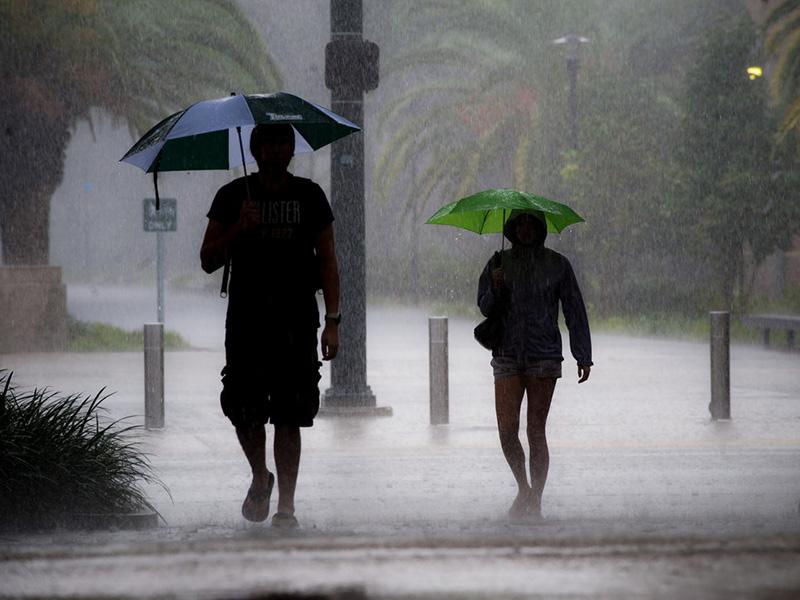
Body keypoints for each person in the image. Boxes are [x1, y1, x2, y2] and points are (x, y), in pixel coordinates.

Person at [200, 123, 340, 528]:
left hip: (297, 320)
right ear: (255, 149)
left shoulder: (310, 196)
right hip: (247, 320)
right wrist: (238, 228)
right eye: (269, 143)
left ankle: (287, 506)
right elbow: (208, 258)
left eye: (284, 143)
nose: (277, 151)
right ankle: (261, 475)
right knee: (244, 407)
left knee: (289, 413)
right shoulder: (231, 197)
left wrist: (333, 321)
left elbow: (328, 259)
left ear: (292, 149)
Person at [477, 209, 592, 521]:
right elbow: (485, 306)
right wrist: (496, 286)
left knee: (535, 430)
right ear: (512, 227)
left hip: (544, 356)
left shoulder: (557, 265)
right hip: (507, 354)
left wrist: (583, 353)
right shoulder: (498, 262)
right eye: (520, 223)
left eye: (532, 223)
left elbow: (574, 310)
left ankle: (535, 499)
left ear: (540, 228)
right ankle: (524, 489)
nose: (526, 228)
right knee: (506, 429)